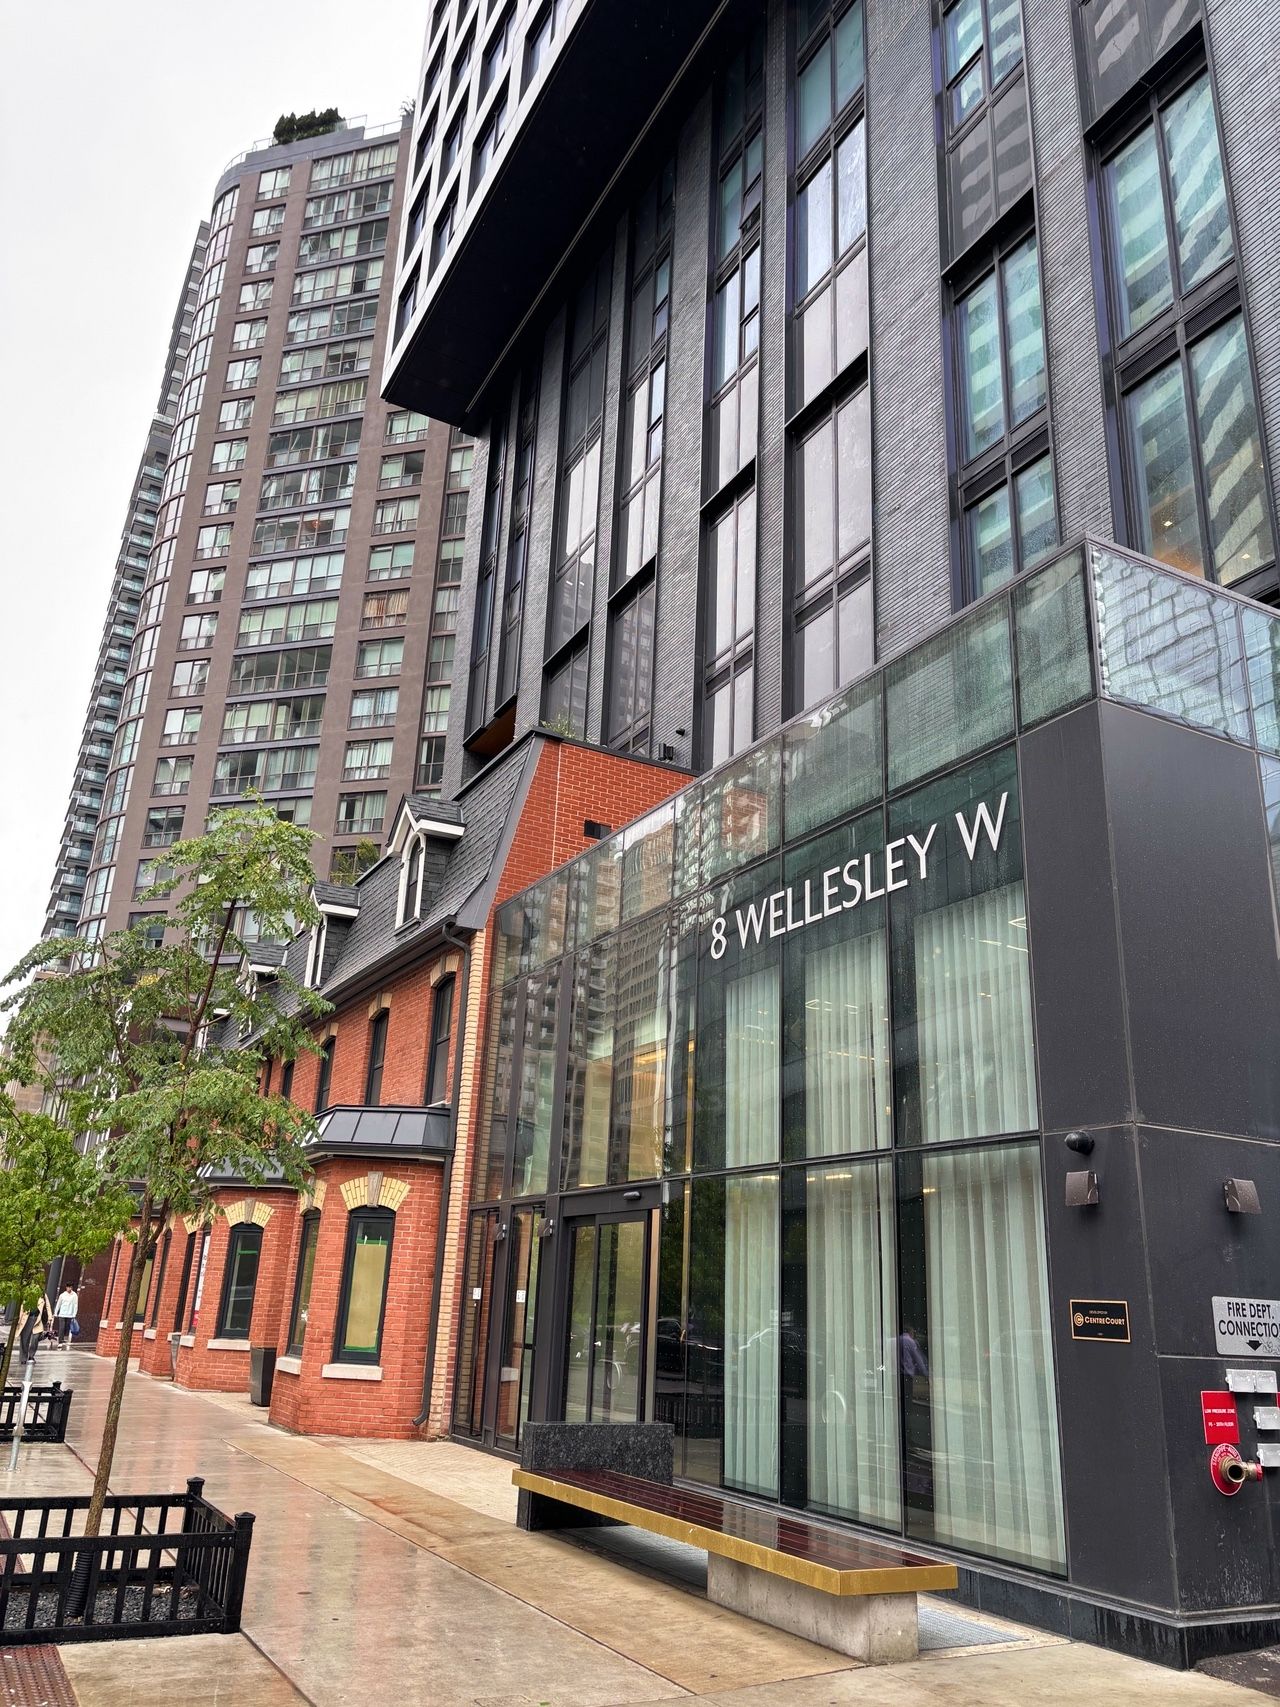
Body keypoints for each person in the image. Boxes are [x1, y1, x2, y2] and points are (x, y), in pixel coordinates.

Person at [18, 1295, 53, 1365]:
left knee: (35, 1338)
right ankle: (23, 1358)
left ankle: (31, 1356)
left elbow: (48, 1306)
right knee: (24, 1339)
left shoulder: (43, 1294)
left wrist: (50, 1317)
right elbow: (21, 1307)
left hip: (38, 1319)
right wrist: (19, 1319)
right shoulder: (26, 1292)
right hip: (26, 1318)